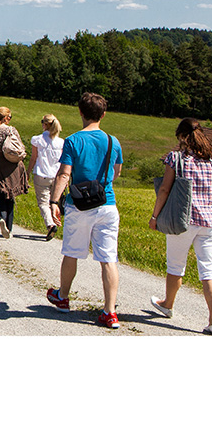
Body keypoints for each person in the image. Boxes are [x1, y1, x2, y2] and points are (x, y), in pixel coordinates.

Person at [46, 92, 124, 330]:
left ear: (80, 112)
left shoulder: (73, 141)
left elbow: (64, 174)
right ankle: (110, 312)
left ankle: (63, 297)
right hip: (107, 204)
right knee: (108, 258)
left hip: (79, 205)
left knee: (72, 252)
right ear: (103, 114)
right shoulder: (113, 141)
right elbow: (116, 172)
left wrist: (54, 201)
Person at [147, 118, 212, 336]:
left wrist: (155, 216)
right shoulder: (211, 160)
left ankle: (167, 304)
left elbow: (164, 189)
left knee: (175, 265)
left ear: (182, 136)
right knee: (208, 270)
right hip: (209, 221)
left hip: (184, 220)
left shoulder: (176, 158)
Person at [0, 106, 28, 239]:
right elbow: (20, 147)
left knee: (1, 195)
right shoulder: (11, 130)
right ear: (5, 118)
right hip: (12, 165)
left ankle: (2, 218)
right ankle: (9, 228)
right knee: (11, 196)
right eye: (9, 117)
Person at [28, 114, 65, 241]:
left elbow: (33, 158)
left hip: (41, 174)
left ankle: (50, 224)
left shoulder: (37, 140)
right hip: (56, 175)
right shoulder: (61, 142)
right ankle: (55, 220)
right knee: (54, 201)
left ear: (44, 124)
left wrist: (27, 172)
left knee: (43, 202)